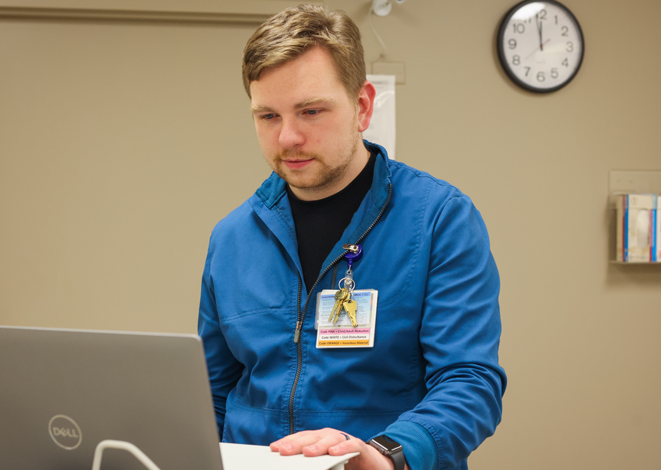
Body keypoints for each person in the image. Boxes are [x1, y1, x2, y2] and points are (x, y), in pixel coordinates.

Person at [197, 5, 506, 470]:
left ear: (362, 105)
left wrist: (384, 454)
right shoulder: (232, 238)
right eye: (267, 117)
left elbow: (470, 381)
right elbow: (212, 395)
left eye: (311, 111)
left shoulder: (438, 218)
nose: (288, 137)